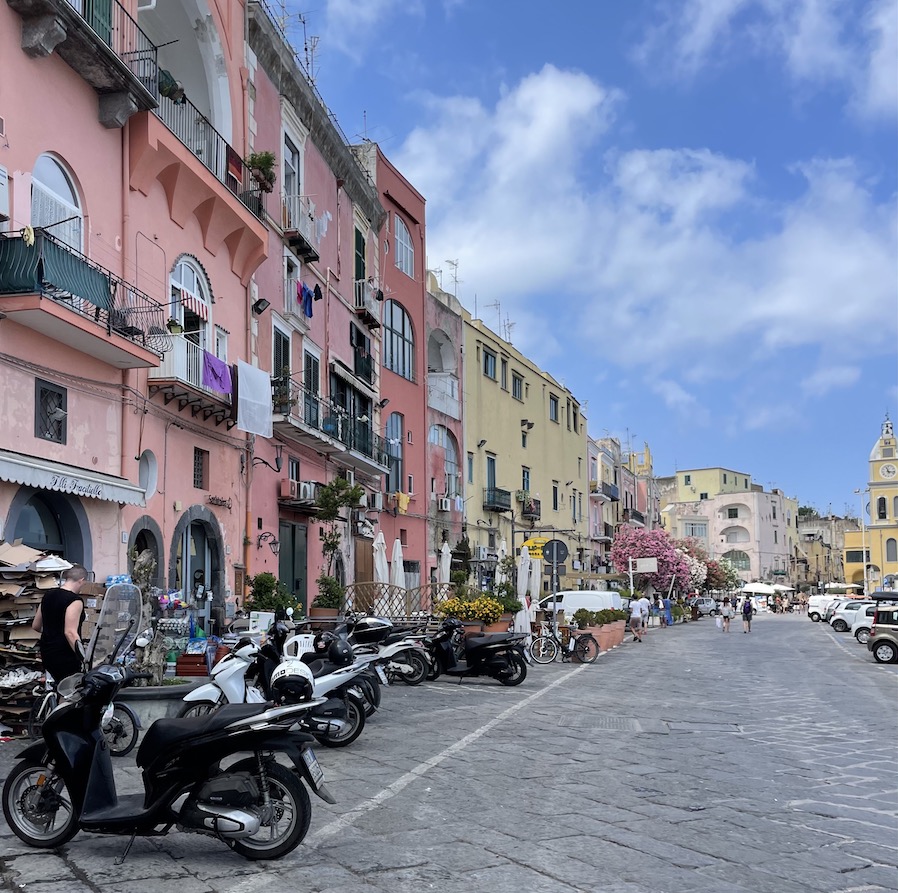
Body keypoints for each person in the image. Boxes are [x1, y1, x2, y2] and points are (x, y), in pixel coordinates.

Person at [32, 564, 88, 682]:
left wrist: (52, 631)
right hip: (65, 654)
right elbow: (70, 633)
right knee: (69, 692)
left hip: (47, 652)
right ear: (81, 580)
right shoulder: (75, 601)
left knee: (56, 685)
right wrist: (84, 658)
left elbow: (36, 626)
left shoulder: (48, 595)